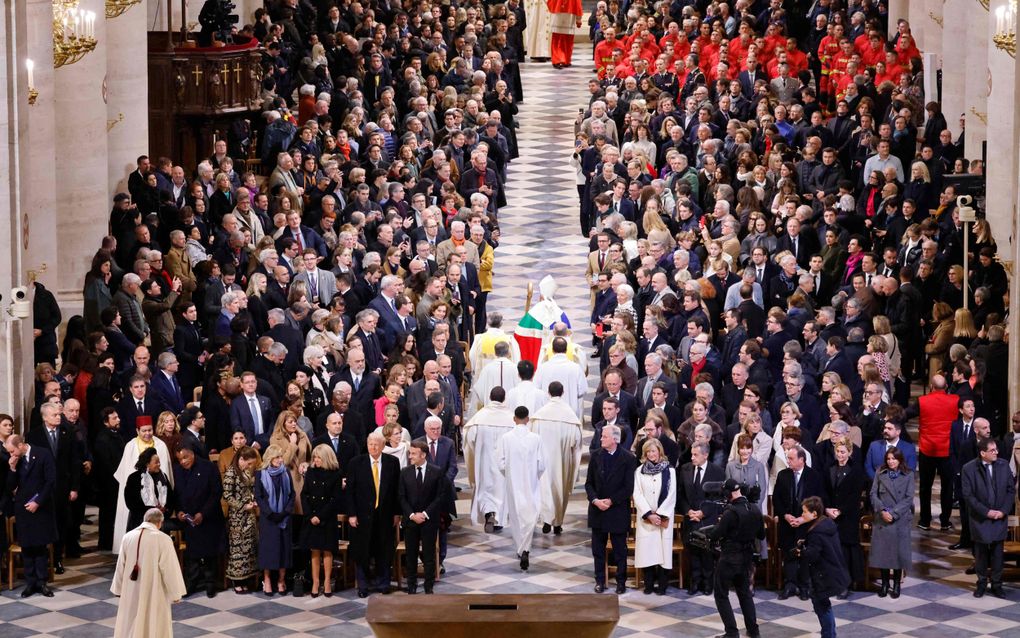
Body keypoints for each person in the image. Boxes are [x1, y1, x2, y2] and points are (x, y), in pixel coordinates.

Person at [110, 508, 187, 638]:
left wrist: (118, 589)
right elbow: (169, 568)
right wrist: (176, 593)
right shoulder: (163, 539)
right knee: (153, 623)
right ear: (159, 523)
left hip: (131, 589)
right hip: (153, 590)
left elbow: (120, 566)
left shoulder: (127, 537)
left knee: (131, 621)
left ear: (145, 520)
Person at [345, 431, 401, 597]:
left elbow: (397, 490)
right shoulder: (356, 463)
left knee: (383, 550)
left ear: (383, 446)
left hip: (385, 515)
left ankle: (383, 583)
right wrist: (352, 514)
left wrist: (397, 513)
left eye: (377, 444)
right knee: (362, 550)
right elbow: (350, 491)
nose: (373, 447)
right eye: (370, 444)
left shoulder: (392, 462)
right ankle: (363, 586)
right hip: (362, 516)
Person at [708, 478, 764, 638]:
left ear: (728, 493)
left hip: (730, 558)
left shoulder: (730, 513)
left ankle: (732, 633)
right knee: (744, 593)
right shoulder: (754, 509)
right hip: (746, 558)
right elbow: (761, 535)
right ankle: (753, 631)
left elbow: (715, 535)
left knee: (720, 594)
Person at [961, 437, 1016, 598]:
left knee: (998, 554)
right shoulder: (969, 468)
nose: (996, 452)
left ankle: (997, 584)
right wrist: (986, 512)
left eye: (996, 449)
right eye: (992, 450)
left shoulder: (1003, 465)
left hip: (999, 517)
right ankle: (982, 583)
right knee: (981, 554)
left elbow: (1010, 490)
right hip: (980, 518)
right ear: (983, 453)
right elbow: (968, 496)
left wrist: (1003, 511)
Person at [4, 434, 58, 597]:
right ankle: (30, 583)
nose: (11, 454)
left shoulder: (43, 454)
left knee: (40, 545)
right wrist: (12, 469)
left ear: (20, 445)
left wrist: (38, 502)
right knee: (26, 545)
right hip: (23, 507)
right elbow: (10, 487)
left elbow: (50, 481)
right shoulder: (15, 460)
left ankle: (42, 582)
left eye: (13, 451)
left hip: (41, 506)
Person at [585, 424, 636, 594]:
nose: (601, 439)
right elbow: (589, 483)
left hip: (617, 511)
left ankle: (621, 582)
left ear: (615, 439)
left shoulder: (628, 458)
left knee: (620, 550)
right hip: (598, 510)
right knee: (598, 550)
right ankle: (600, 580)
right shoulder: (596, 456)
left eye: (604, 436)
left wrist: (611, 501)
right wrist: (595, 500)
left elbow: (628, 487)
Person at [113, 416, 174, 553]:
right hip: (138, 508)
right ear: (137, 431)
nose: (147, 433)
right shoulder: (131, 446)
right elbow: (123, 473)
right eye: (144, 431)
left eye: (150, 430)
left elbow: (167, 474)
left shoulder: (160, 445)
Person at [528, 381, 582, 535]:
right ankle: (557, 522)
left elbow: (532, 439)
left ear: (548, 393)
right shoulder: (569, 416)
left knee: (545, 489)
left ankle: (546, 520)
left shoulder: (539, 416)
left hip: (543, 460)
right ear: (563, 392)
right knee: (560, 489)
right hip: (562, 460)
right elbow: (577, 443)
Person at [172, 444, 225, 598]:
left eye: (185, 458)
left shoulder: (208, 467)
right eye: (179, 459)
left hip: (209, 517)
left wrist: (203, 513)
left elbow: (216, 493)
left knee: (210, 551)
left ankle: (210, 583)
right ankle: (192, 582)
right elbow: (176, 495)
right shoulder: (177, 470)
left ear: (192, 455)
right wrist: (179, 510)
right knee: (192, 553)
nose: (182, 462)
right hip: (189, 519)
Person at [498, 406, 546, 570]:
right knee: (531, 514)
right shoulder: (536, 438)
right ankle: (526, 548)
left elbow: (501, 463)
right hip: (531, 481)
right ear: (527, 419)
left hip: (513, 482)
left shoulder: (506, 438)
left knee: (516, 516)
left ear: (514, 419)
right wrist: (535, 477)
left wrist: (509, 475)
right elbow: (541, 464)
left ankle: (522, 549)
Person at [399, 440, 450, 593]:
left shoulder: (436, 471)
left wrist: (425, 514)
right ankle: (412, 586)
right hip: (411, 520)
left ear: (423, 455)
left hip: (429, 520)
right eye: (410, 453)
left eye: (413, 453)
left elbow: (440, 496)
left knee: (428, 556)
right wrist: (412, 515)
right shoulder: (405, 472)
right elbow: (401, 497)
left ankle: (429, 586)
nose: (410, 456)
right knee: (411, 555)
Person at [463, 387, 515, 533]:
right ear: (504, 399)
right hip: (503, 462)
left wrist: (476, 453)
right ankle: (498, 518)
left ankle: (489, 513)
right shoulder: (511, 418)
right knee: (501, 489)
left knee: (485, 488)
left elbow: (470, 439)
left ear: (490, 398)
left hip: (484, 460)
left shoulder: (480, 417)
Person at [798, 496, 851, 638]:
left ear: (814, 514)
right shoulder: (826, 523)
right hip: (832, 572)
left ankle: (829, 635)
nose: (802, 515)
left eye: (804, 512)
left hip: (823, 576)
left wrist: (801, 551)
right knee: (825, 606)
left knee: (822, 607)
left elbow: (813, 555)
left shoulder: (816, 532)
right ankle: (831, 634)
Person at [678, 441, 725, 594]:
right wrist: (688, 511)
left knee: (707, 553)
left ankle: (707, 583)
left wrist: (703, 513)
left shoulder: (717, 471)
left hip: (707, 519)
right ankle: (694, 582)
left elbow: (718, 498)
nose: (692, 457)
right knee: (692, 552)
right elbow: (680, 495)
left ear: (705, 455)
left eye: (696, 455)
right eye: (692, 454)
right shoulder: (685, 469)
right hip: (690, 518)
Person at [868, 447, 915, 598]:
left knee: (898, 553)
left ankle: (896, 584)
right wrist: (882, 511)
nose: (890, 461)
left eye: (893, 459)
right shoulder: (880, 472)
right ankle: (885, 584)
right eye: (888, 459)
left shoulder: (908, 475)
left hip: (899, 519)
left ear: (899, 460)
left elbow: (908, 498)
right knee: (883, 553)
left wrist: (893, 514)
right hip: (882, 518)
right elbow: (873, 493)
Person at [633, 438, 677, 595]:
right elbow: (637, 494)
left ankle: (663, 585)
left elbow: (672, 494)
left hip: (663, 517)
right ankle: (649, 585)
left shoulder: (669, 470)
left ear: (659, 451)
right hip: (646, 519)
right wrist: (649, 514)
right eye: (648, 452)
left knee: (663, 553)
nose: (651, 454)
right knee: (648, 552)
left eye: (653, 451)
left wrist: (659, 514)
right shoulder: (639, 471)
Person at [824, 437, 867, 597]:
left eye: (843, 452)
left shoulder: (856, 470)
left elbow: (854, 496)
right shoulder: (829, 467)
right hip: (831, 515)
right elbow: (826, 490)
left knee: (845, 551)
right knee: (832, 550)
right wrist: (828, 508)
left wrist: (840, 510)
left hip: (848, 517)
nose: (840, 455)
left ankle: (845, 584)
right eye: (838, 452)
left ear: (849, 452)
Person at [300, 444, 342, 597]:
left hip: (326, 518)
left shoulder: (336, 474)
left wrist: (320, 516)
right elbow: (304, 495)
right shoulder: (311, 472)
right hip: (312, 517)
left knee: (327, 550)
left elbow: (335, 499)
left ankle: (327, 581)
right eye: (315, 457)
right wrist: (310, 515)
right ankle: (316, 582)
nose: (316, 460)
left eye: (319, 457)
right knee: (314, 550)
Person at [255, 445, 295, 596]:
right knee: (269, 550)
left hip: (284, 518)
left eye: (280, 457)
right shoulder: (260, 474)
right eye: (277, 457)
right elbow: (258, 496)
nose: (280, 460)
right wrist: (269, 513)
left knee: (284, 549)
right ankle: (267, 579)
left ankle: (281, 580)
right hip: (268, 519)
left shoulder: (286, 473)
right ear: (269, 459)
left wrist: (285, 512)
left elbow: (292, 494)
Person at [222, 445, 259, 594]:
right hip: (237, 517)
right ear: (241, 459)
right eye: (248, 463)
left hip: (249, 515)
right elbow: (227, 496)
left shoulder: (246, 472)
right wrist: (243, 506)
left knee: (249, 547)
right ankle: (237, 580)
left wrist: (253, 502)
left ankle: (247, 578)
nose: (250, 466)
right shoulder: (231, 472)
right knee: (237, 549)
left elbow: (250, 490)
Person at [123, 447, 175, 533]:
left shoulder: (163, 477)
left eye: (159, 462)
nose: (159, 464)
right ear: (147, 464)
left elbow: (171, 498)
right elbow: (131, 503)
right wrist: (151, 511)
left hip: (160, 521)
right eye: (156, 462)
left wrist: (165, 509)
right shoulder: (134, 478)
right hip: (140, 522)